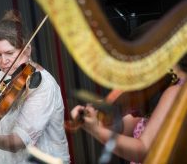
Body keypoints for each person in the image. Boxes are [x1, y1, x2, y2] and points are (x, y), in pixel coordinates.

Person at [70, 21, 187, 163]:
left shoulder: (177, 92)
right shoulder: (162, 91)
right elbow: (124, 128)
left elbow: (144, 150)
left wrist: (96, 130)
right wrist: (99, 118)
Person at [0, 10, 70, 164]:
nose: (4, 61)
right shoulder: (3, 76)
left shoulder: (44, 85)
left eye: (9, 53)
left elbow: (18, 142)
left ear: (27, 50)